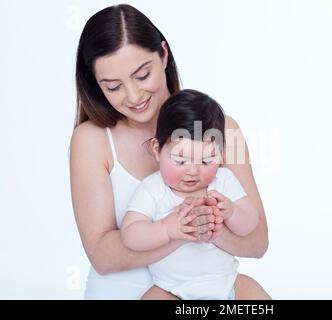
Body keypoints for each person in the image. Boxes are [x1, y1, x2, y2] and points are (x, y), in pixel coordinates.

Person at [70, 4, 269, 300]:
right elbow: (102, 255)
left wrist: (210, 229)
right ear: (96, 86)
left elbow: (257, 241)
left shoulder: (225, 130)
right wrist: (179, 231)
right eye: (113, 87)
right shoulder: (91, 140)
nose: (134, 96)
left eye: (142, 75)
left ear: (163, 54)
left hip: (212, 290)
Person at [121, 89, 265, 300]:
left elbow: (250, 223)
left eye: (207, 161)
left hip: (226, 281)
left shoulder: (223, 181)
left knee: (258, 297)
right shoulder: (152, 189)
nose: (193, 171)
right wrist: (167, 229)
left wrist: (232, 213)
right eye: (180, 161)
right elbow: (130, 235)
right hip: (171, 289)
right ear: (156, 149)